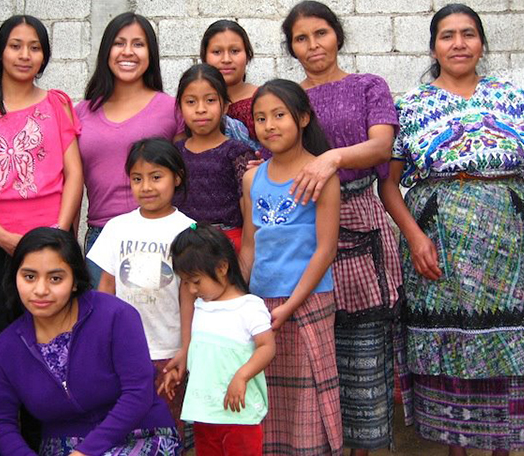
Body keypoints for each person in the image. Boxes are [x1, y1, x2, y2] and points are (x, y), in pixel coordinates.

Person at [379, 4, 524, 456]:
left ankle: (506, 445)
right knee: (451, 340)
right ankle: (456, 447)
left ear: (481, 43)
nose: (458, 43)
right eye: (447, 35)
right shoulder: (410, 106)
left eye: (468, 34)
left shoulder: (512, 98)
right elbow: (388, 182)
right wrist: (414, 237)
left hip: (513, 240)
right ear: (433, 47)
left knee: (514, 341)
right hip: (438, 241)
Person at [281, 0, 403, 455]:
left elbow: (380, 146)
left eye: (321, 34)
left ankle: (362, 449)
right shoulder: (288, 98)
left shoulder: (369, 85)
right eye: (301, 38)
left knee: (363, 354)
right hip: (303, 227)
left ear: (338, 36)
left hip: (361, 225)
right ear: (291, 47)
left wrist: (331, 157)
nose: (313, 46)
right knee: (312, 348)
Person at [0, 227, 181, 455]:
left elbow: (138, 393)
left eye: (55, 278)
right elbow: (1, 421)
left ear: (75, 282)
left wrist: (85, 452)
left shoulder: (115, 315)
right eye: (29, 277)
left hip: (141, 434)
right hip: (62, 446)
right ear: (15, 277)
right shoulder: (6, 347)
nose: (40, 290)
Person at [0, 15, 83, 335]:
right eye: (16, 46)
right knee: (2, 334)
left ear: (44, 57)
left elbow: (74, 175)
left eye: (34, 48)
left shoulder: (57, 104)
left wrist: (60, 233)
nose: (25, 55)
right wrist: (1, 236)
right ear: (0, 53)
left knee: (55, 332)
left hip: (52, 239)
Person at [241, 79, 341, 455]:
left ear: (302, 117)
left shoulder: (320, 174)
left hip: (309, 300)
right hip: (262, 305)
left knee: (307, 401)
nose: (270, 125)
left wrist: (292, 304)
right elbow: (250, 245)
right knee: (267, 399)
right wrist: (241, 300)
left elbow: (325, 250)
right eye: (261, 118)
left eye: (279, 115)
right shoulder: (253, 178)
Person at [87, 138, 195, 437]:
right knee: (122, 426)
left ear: (177, 177)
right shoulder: (117, 227)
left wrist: (185, 348)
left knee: (166, 427)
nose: (146, 186)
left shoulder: (188, 230)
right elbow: (105, 287)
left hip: (167, 350)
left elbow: (189, 295)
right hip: (122, 350)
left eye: (156, 177)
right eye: (137, 178)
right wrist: (99, 341)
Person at [76, 12, 185, 285]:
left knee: (153, 324)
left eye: (138, 44)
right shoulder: (81, 113)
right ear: (106, 52)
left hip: (157, 234)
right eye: (119, 43)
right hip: (101, 237)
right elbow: (72, 184)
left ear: (150, 53)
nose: (128, 51)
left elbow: (186, 170)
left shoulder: (171, 109)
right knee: (105, 323)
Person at [163, 223, 275, 456]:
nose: (192, 290)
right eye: (186, 282)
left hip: (240, 416)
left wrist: (242, 376)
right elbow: (203, 353)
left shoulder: (249, 306)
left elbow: (267, 347)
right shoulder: (201, 306)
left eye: (196, 281)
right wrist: (182, 365)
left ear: (222, 267)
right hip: (205, 414)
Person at [174, 64, 256, 252]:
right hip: (185, 247)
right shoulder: (175, 154)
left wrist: (244, 262)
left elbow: (249, 211)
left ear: (225, 106)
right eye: (191, 102)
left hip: (229, 246)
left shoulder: (238, 153)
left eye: (210, 100)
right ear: (180, 108)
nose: (201, 109)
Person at [200, 20, 258, 141]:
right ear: (204, 57)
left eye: (235, 51)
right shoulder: (195, 105)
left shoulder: (265, 99)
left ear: (248, 56)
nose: (226, 59)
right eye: (217, 52)